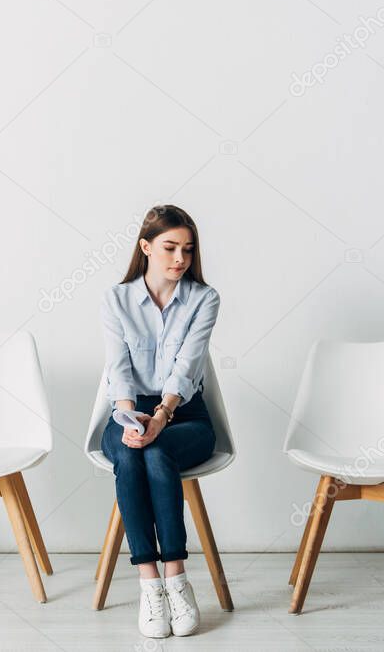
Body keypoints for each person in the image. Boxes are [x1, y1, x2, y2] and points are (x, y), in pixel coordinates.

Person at [99, 204, 220, 638]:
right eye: (170, 247)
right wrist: (133, 418)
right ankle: (151, 582)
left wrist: (162, 416)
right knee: (134, 455)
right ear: (146, 246)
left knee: (157, 451)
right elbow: (119, 369)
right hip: (129, 408)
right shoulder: (116, 299)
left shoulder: (204, 299)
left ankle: (177, 577)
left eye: (187, 250)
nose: (180, 259)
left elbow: (187, 367)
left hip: (183, 412)